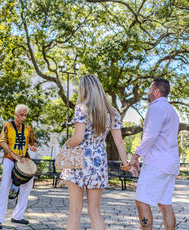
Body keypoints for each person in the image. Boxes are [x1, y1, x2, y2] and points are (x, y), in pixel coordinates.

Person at [60, 74, 137, 230]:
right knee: (95, 211)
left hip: (78, 160)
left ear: (84, 89)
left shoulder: (81, 108)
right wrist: (125, 163)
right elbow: (119, 141)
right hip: (98, 162)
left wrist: (66, 144)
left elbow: (78, 138)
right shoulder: (112, 111)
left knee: (75, 211)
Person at [130, 78, 180, 230]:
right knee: (165, 203)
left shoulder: (156, 108)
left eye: (150, 89)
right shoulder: (171, 110)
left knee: (141, 201)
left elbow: (150, 136)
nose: (147, 92)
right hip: (170, 164)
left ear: (157, 91)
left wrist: (136, 155)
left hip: (156, 163)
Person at [0, 104, 38, 230]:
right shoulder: (8, 126)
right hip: (9, 159)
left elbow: (32, 141)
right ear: (15, 114)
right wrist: (12, 153)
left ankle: (18, 216)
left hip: (23, 160)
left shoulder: (27, 128)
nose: (23, 117)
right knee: (5, 186)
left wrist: (32, 146)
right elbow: (2, 141)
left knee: (28, 186)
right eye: (21, 115)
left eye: (25, 115)